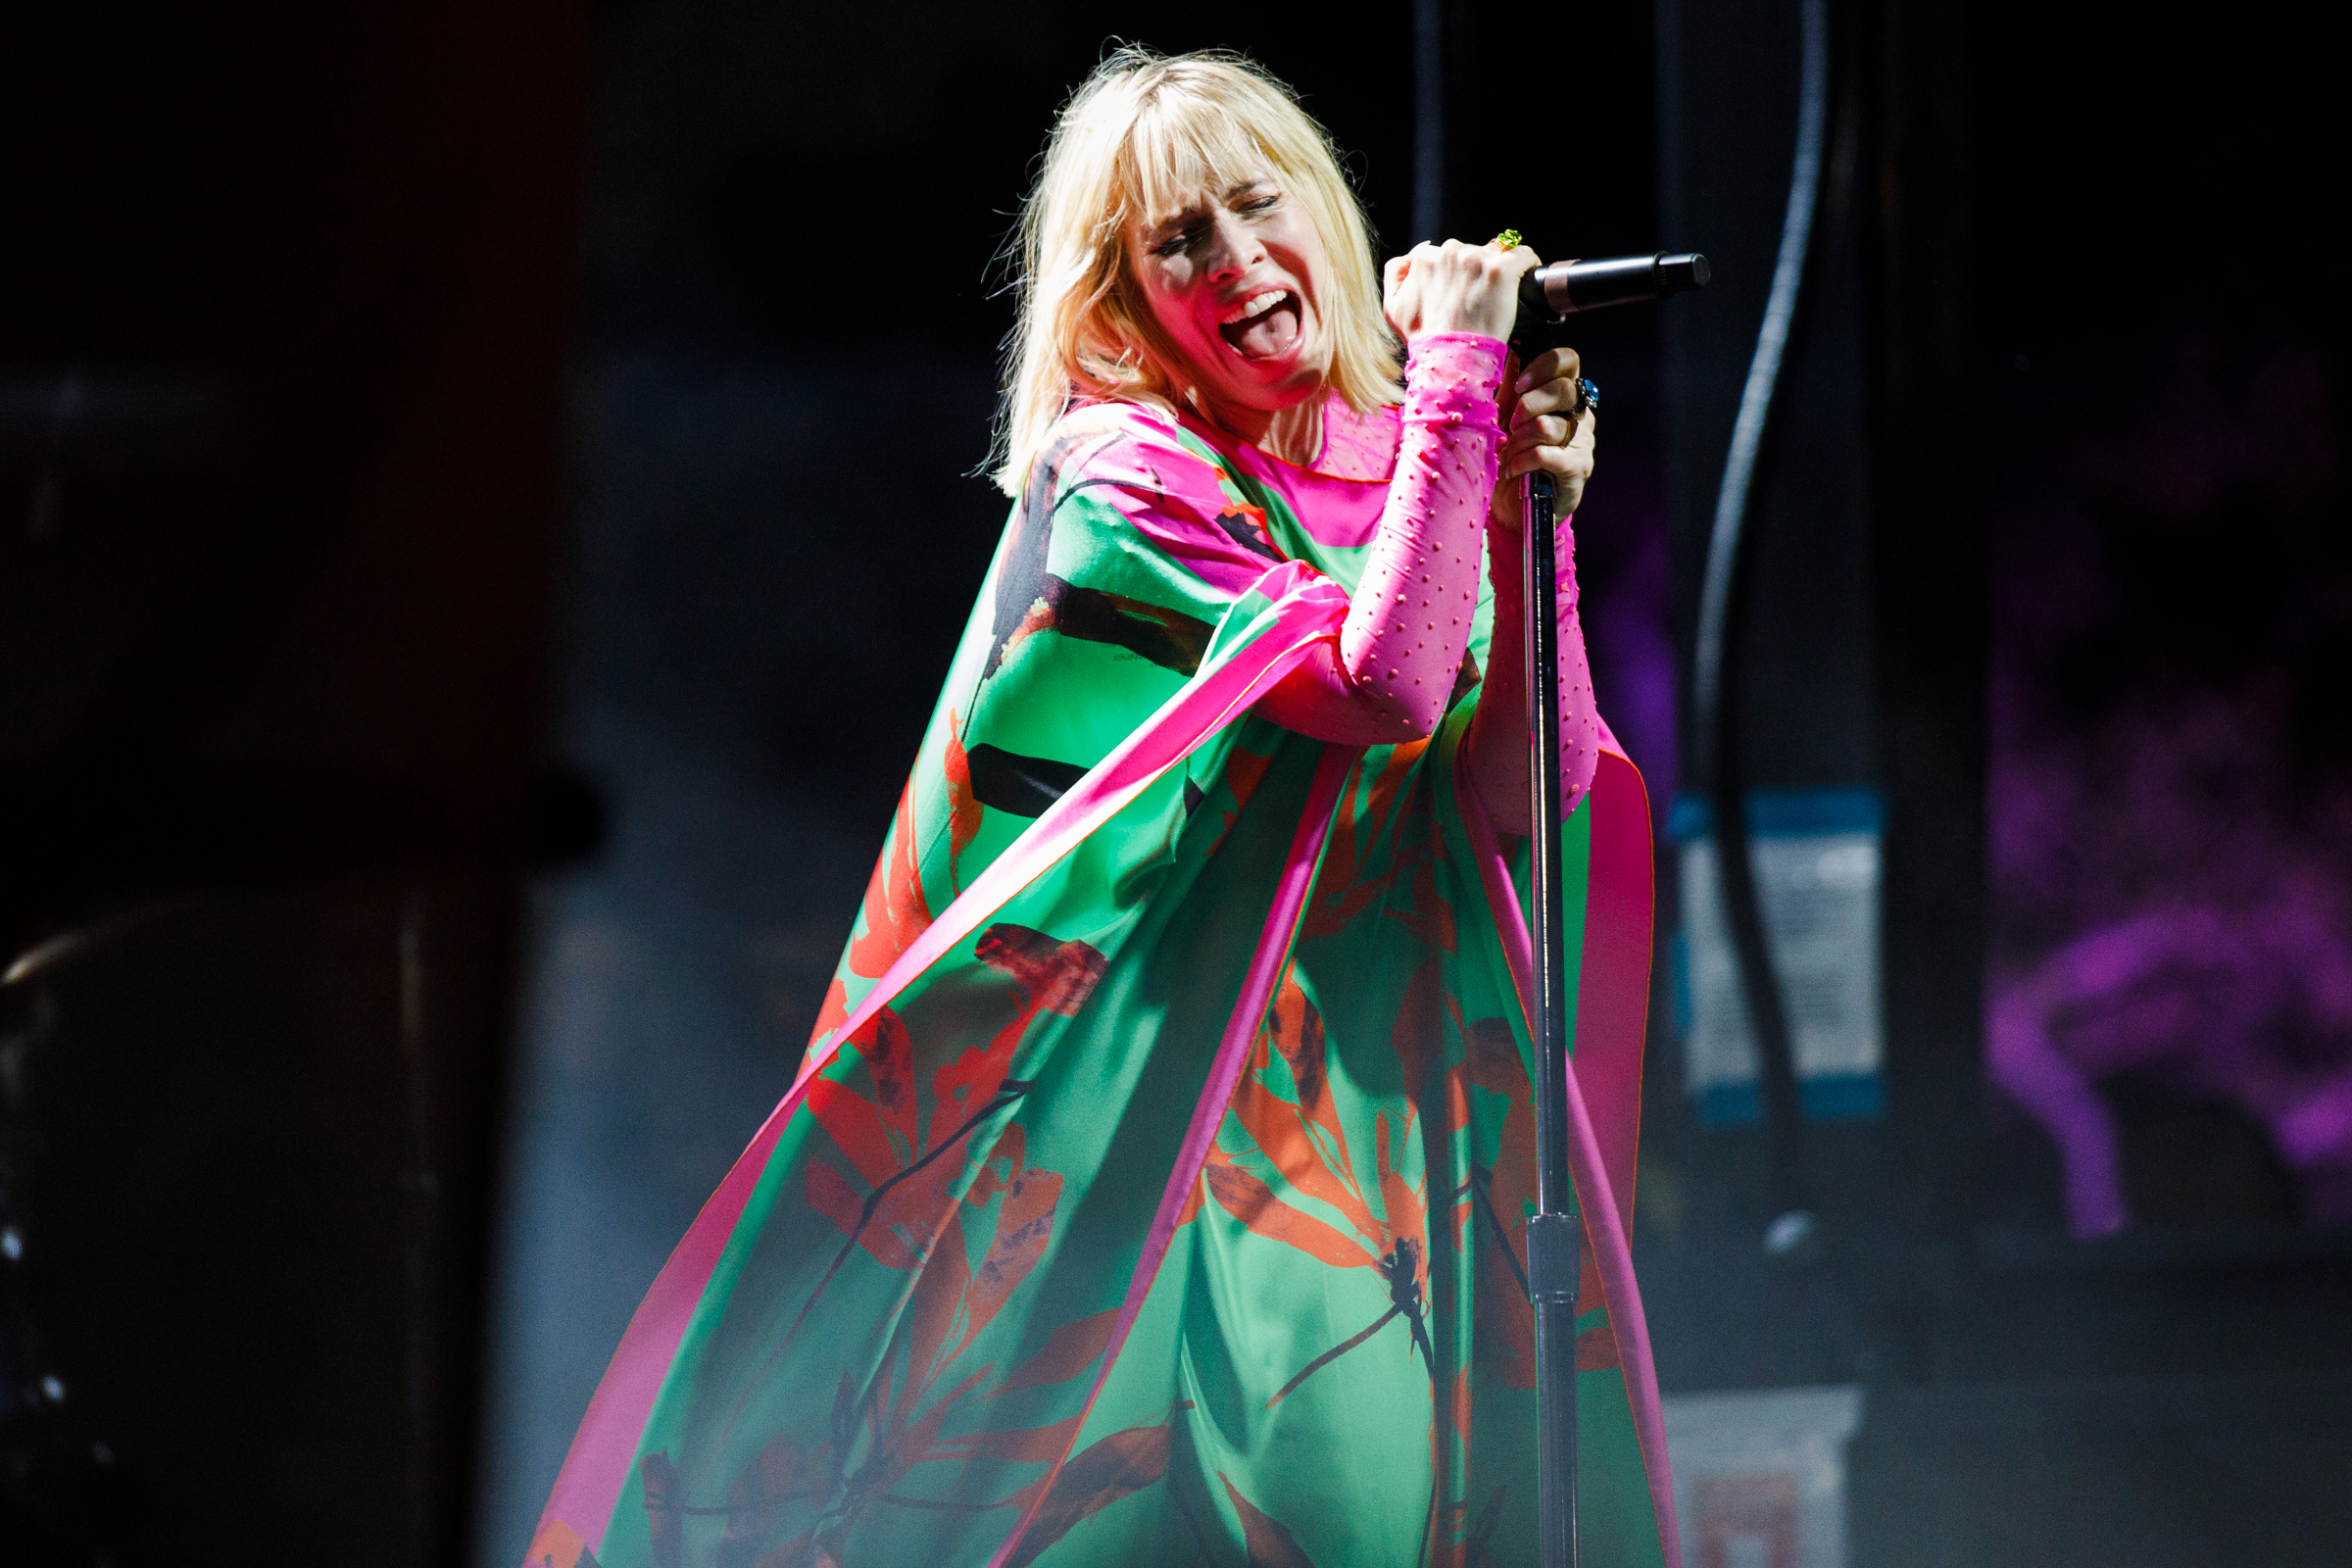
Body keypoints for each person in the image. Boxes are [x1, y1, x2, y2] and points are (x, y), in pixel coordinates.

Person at [527, 47, 1675, 1568]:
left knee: (1380, 1525)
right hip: (1156, 1131)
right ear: (1122, 300)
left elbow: (1521, 792)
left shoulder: (1413, 465)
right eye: (1177, 241)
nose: (1236, 261)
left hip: (1375, 1126)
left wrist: (1533, 516)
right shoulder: (1124, 475)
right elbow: (1378, 689)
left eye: (1257, 206)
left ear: (1322, 215)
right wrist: (1462, 398)